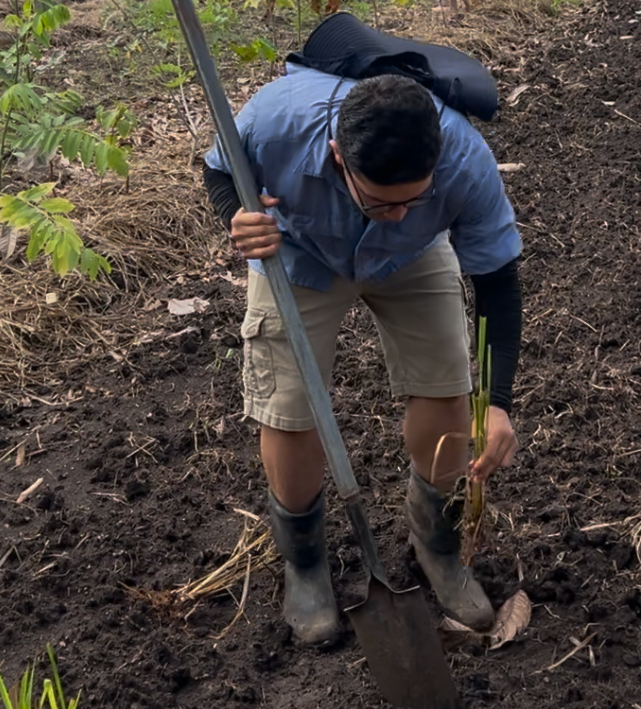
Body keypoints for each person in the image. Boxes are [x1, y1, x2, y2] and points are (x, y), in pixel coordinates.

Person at [203, 66, 523, 645]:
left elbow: (497, 279)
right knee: (290, 410)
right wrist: (238, 215)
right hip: (298, 251)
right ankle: (305, 565)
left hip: (411, 258)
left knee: (449, 394)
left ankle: (438, 545)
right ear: (336, 157)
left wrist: (497, 402)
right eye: (380, 202)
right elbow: (220, 168)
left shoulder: (464, 163)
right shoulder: (274, 124)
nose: (398, 210)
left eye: (414, 198)